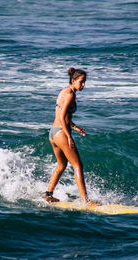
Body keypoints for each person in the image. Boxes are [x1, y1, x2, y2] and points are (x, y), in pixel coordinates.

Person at [46, 68, 100, 207]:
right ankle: (85, 201)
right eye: (81, 82)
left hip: (53, 132)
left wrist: (76, 128)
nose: (83, 85)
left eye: (84, 83)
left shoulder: (64, 92)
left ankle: (48, 194)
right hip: (61, 133)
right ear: (73, 80)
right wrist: (69, 136)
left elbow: (64, 117)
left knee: (62, 165)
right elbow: (63, 117)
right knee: (78, 165)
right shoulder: (70, 95)